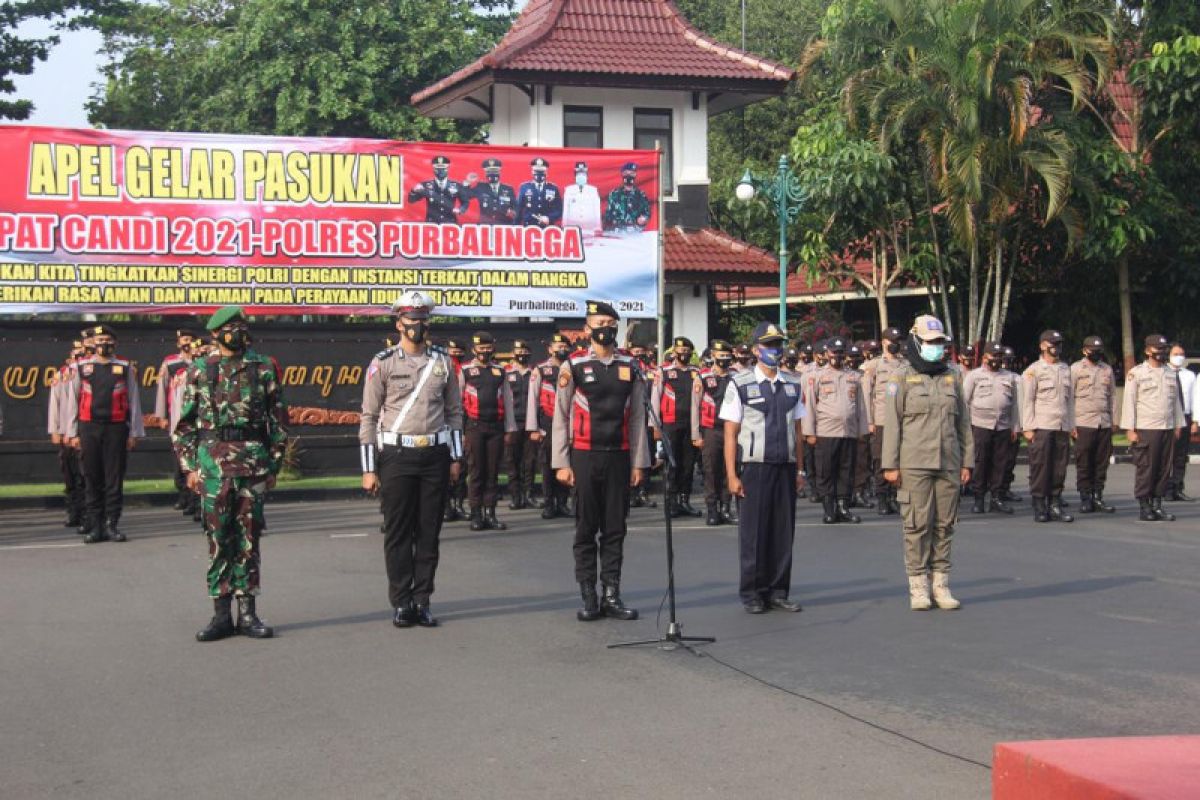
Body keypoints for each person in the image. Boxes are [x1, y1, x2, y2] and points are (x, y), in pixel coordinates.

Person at [173, 307, 287, 641]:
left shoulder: (263, 368)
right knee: (219, 540)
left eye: (241, 326)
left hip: (252, 465)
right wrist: (190, 467)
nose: (236, 332)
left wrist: (273, 466)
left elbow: (278, 421)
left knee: (248, 540)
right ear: (215, 334)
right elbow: (185, 426)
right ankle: (221, 615)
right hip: (212, 467)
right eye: (230, 328)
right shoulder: (199, 370)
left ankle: (248, 613)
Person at [360, 291, 464, 628]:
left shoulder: (443, 362)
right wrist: (368, 468)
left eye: (422, 319)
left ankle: (423, 600)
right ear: (398, 323)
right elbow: (368, 416)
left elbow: (454, 413)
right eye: (411, 319)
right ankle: (401, 602)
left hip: (434, 454)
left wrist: (455, 457)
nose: (417, 325)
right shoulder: (383, 362)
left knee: (429, 531)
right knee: (398, 532)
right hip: (396, 455)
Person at [552, 301, 648, 622]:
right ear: (587, 329)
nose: (606, 327)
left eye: (610, 322)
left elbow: (637, 419)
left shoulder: (631, 366)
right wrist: (561, 463)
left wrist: (639, 462)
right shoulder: (573, 365)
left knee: (615, 529)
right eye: (599, 322)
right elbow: (561, 417)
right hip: (583, 456)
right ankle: (589, 595)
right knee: (585, 528)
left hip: (619, 456)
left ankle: (612, 593)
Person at [881, 315, 973, 611]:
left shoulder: (954, 376)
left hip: (948, 460)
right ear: (917, 342)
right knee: (917, 525)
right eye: (931, 343)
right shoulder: (901, 377)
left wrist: (967, 461)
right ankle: (918, 586)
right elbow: (892, 424)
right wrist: (890, 465)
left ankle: (941, 584)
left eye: (940, 343)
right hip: (914, 462)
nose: (937, 348)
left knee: (945, 524)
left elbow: (964, 423)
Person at [720, 321, 806, 614]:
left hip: (785, 465)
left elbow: (798, 429)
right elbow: (730, 433)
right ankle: (753, 592)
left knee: (783, 531)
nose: (775, 350)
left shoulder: (793, 383)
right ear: (756, 349)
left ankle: (779, 590)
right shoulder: (740, 383)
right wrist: (732, 475)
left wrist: (800, 470)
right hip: (755, 467)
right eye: (769, 345)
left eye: (778, 344)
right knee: (754, 533)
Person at [64, 325, 145, 543]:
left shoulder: (125, 367)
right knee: (91, 477)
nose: (103, 344)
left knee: (114, 478)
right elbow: (73, 401)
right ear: (93, 343)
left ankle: (112, 525)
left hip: (116, 428)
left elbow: (133, 401)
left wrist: (134, 432)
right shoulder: (81, 367)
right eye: (99, 340)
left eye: (107, 339)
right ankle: (95, 526)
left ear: (115, 343)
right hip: (89, 427)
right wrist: (72, 432)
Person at [802, 337, 869, 524]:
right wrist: (810, 432)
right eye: (833, 352)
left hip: (848, 431)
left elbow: (860, 406)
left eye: (840, 352)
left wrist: (862, 429)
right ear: (827, 353)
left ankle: (843, 507)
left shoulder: (853, 377)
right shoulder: (817, 376)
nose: (836, 356)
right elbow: (810, 406)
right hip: (825, 432)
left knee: (846, 471)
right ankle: (829, 509)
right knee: (826, 471)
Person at [1121, 334, 1187, 522]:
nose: (1162, 352)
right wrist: (1129, 429)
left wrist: (1177, 424)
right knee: (1147, 468)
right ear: (1148, 351)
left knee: (1164, 468)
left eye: (1164, 349)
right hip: (1146, 428)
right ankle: (1145, 506)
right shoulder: (1137, 373)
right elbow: (1129, 403)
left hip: (1166, 427)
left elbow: (1175, 402)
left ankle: (1158, 505)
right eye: (1158, 349)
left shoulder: (1170, 373)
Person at [460, 331, 516, 531]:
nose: (484, 351)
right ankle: (476, 514)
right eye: (481, 348)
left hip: (496, 427)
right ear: (474, 349)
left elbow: (508, 402)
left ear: (493, 347)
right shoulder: (465, 370)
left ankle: (490, 513)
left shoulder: (500, 371)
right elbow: (457, 404)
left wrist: (510, 428)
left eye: (488, 347)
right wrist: (461, 431)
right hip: (474, 426)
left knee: (492, 472)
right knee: (476, 471)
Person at [1021, 330, 1075, 523]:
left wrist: (1071, 424)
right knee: (1040, 467)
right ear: (1043, 346)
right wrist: (1027, 427)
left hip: (1061, 426)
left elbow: (1069, 402)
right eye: (1053, 343)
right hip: (1042, 425)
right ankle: (1039, 505)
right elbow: (1027, 401)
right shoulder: (1033, 371)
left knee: (1059, 467)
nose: (1057, 347)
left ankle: (1054, 503)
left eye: (1059, 343)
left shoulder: (1065, 369)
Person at [963, 342, 1020, 514]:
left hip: (1002, 425)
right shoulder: (974, 376)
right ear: (985, 357)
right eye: (993, 356)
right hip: (980, 425)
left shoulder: (1009, 377)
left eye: (999, 356)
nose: (996, 359)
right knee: (981, 463)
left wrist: (1015, 427)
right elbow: (964, 401)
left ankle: (996, 498)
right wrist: (966, 426)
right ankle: (979, 499)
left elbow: (1015, 405)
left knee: (1000, 463)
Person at [651, 336, 703, 518]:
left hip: (691, 425)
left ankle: (684, 500)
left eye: (687, 352)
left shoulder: (696, 372)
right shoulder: (663, 371)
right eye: (681, 352)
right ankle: (671, 502)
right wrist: (655, 425)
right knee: (673, 464)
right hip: (670, 424)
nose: (684, 355)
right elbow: (655, 399)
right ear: (674, 352)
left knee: (688, 464)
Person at [862, 327, 906, 515]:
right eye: (892, 341)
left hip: (902, 419)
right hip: (881, 419)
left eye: (898, 340)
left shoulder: (906, 365)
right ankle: (882, 497)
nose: (895, 344)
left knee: (900, 460)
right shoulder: (873, 366)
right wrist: (869, 421)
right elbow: (866, 395)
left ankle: (894, 496)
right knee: (881, 459)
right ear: (884, 343)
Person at [1070, 335, 1117, 513]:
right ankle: (1085, 497)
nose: (1096, 354)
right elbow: (1069, 399)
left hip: (1103, 423)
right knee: (1084, 462)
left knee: (1101, 462)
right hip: (1083, 422)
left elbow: (1112, 396)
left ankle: (1098, 496)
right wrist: (1071, 425)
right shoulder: (1075, 369)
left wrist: (1114, 420)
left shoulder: (1107, 370)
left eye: (1099, 351)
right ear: (1084, 350)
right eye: (1092, 350)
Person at [155, 328, 199, 514]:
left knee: (195, 460)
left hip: (197, 418)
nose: (186, 343)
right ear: (178, 343)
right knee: (179, 459)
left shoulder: (201, 362)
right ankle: (183, 494)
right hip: (177, 417)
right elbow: (162, 389)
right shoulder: (170, 363)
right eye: (183, 339)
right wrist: (162, 415)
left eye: (190, 339)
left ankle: (194, 499)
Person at [48, 340, 87, 531]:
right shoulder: (62, 375)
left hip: (87, 431)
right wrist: (55, 430)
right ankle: (74, 511)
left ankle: (90, 513)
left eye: (82, 354)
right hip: (66, 432)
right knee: (70, 475)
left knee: (86, 475)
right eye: (76, 355)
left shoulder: (90, 372)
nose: (79, 358)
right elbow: (54, 405)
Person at [700, 340, 738, 525]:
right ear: (713, 356)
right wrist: (695, 434)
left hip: (731, 429)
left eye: (727, 356)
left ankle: (726, 507)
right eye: (720, 356)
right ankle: (712, 509)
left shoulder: (736, 377)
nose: (723, 359)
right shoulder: (703, 377)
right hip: (711, 429)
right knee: (711, 469)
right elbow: (695, 405)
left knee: (728, 469)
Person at [504, 340, 537, 510]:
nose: (522, 354)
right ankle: (515, 496)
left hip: (530, 422)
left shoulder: (535, 373)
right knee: (512, 461)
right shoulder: (505, 372)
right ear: (513, 353)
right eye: (518, 351)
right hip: (512, 423)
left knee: (530, 461)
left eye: (525, 350)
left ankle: (529, 494)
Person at [443, 338, 469, 522]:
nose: (455, 355)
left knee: (461, 466)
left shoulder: (466, 371)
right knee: (444, 467)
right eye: (452, 351)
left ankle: (459, 504)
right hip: (442, 423)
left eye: (458, 351)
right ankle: (445, 506)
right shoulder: (439, 369)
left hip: (463, 422)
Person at [1166, 342, 1194, 501]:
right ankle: (1165, 489)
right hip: (1168, 418)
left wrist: (1195, 421)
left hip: (1185, 417)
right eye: (1176, 354)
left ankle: (1177, 487)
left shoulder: (1189, 375)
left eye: (1182, 354)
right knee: (1166, 455)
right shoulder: (1163, 372)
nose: (1179, 357)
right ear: (1169, 355)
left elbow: (1194, 399)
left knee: (1181, 456)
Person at [408, 155, 467, 223]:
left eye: (443, 168)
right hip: (432, 223)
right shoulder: (426, 185)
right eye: (438, 168)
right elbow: (411, 200)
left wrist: (461, 209)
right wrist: (414, 191)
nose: (440, 171)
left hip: (450, 222)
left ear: (447, 169)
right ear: (434, 169)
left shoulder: (456, 185)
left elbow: (465, 202)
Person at [604, 162, 651, 232]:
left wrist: (644, 218)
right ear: (622, 174)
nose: (629, 176)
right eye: (627, 174)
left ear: (635, 175)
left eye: (632, 173)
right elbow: (608, 215)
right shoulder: (614, 194)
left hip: (636, 232)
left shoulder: (641, 195)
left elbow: (647, 212)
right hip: (617, 232)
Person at [468, 157, 517, 225]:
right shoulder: (481, 187)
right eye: (489, 172)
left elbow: (515, 207)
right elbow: (466, 196)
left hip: (504, 225)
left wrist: (512, 212)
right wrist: (468, 182)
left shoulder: (508, 189)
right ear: (485, 174)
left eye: (495, 171)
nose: (492, 174)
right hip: (485, 225)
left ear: (499, 172)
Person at [516, 157, 562, 227]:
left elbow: (559, 210)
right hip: (529, 227)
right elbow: (518, 210)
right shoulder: (524, 187)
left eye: (541, 172)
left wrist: (549, 218)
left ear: (546, 172)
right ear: (532, 172)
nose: (539, 174)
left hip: (547, 228)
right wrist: (515, 227)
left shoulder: (553, 188)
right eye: (536, 171)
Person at [563, 161, 602, 236]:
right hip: (573, 228)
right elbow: (565, 210)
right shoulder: (569, 190)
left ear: (587, 175)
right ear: (575, 175)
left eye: (583, 174)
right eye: (578, 174)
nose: (581, 176)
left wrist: (598, 227)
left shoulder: (593, 190)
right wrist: (564, 226)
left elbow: (597, 210)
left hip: (590, 228)